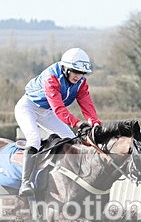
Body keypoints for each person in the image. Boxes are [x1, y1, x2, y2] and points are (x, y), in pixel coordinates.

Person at [14, 47, 102, 196]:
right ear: (65, 68)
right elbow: (59, 109)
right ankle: (25, 183)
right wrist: (79, 124)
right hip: (28, 108)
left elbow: (86, 103)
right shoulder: (51, 78)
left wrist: (95, 123)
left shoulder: (81, 82)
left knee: (70, 139)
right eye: (75, 71)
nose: (78, 76)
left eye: (81, 73)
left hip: (47, 112)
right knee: (34, 139)